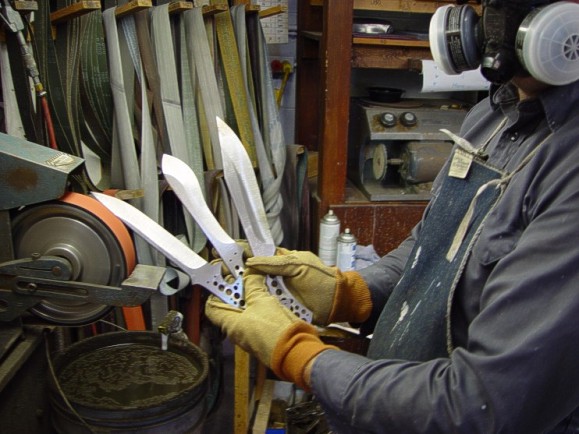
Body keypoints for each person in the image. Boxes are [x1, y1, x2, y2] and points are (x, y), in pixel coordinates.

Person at [205, 0, 579, 432]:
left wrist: (300, 357)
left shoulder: (568, 173)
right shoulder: (489, 115)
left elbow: (479, 406)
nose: (493, 18)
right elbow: (430, 248)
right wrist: (351, 293)